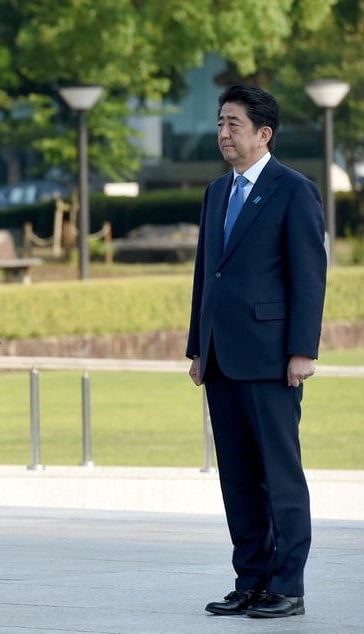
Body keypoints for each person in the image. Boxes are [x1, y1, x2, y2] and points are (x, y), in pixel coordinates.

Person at [186, 85, 327, 619]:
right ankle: (251, 581)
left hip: (272, 359)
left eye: (234, 124)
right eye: (221, 123)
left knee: (279, 476)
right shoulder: (216, 193)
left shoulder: (295, 191)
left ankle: (287, 586)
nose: (224, 133)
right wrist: (197, 347)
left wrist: (301, 351)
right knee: (239, 478)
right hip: (221, 359)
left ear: (264, 134)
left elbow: (309, 278)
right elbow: (207, 276)